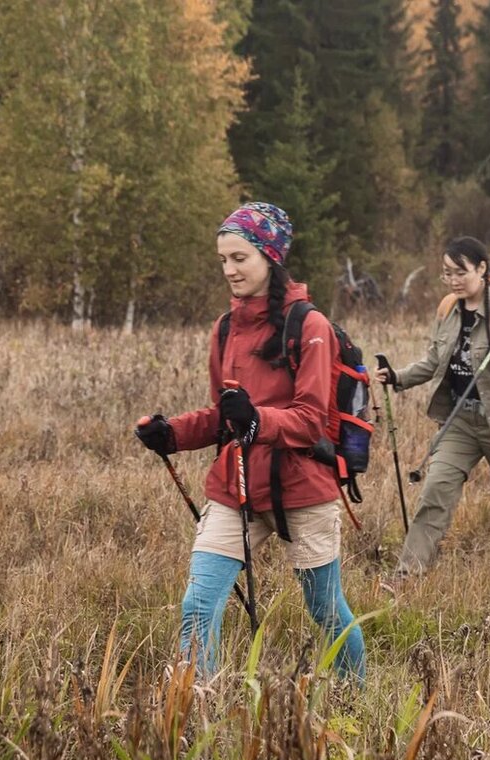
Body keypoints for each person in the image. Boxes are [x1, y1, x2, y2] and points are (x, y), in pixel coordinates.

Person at [134, 202, 365, 680]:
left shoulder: (311, 326)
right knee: (198, 605)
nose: (230, 270)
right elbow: (224, 418)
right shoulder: (225, 329)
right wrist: (170, 434)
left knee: (325, 611)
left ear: (270, 257)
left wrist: (256, 419)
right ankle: (197, 712)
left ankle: (355, 704)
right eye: (223, 260)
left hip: (303, 486)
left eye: (240, 258)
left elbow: (310, 421)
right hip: (235, 486)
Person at [375, 236, 490, 576]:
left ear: (482, 269)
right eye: (446, 273)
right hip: (461, 421)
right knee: (434, 493)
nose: (453, 280)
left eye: (460, 272)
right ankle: (406, 576)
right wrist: (397, 376)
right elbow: (434, 361)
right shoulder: (448, 310)